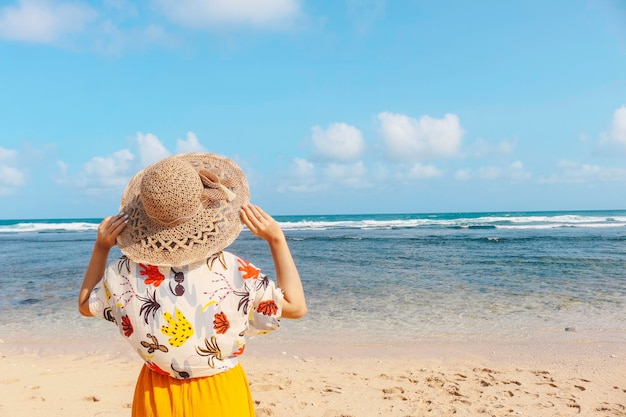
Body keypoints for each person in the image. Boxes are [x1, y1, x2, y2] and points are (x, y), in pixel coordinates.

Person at [77, 153, 307, 417]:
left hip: (155, 392)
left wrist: (101, 247)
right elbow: (295, 307)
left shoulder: (121, 273)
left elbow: (86, 306)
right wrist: (276, 240)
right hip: (219, 392)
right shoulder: (234, 271)